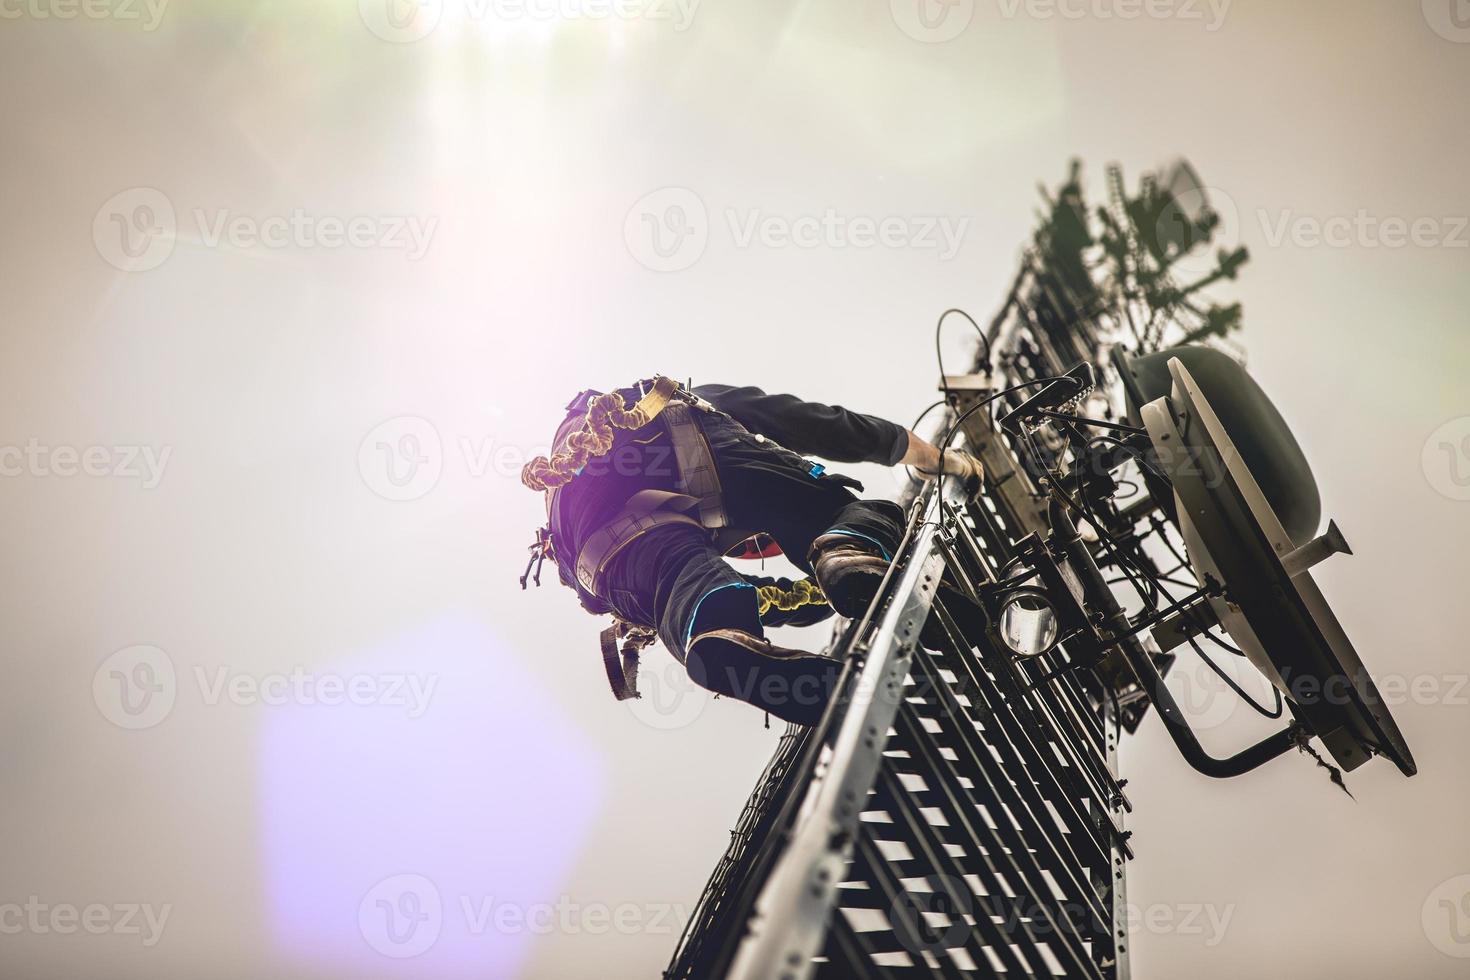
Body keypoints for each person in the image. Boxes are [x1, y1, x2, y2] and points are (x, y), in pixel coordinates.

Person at [520, 376, 983, 726]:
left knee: (684, 584)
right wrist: (938, 459)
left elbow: (765, 598)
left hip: (590, 553)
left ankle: (720, 636)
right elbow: (830, 426)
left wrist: (828, 592)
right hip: (662, 431)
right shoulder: (712, 401)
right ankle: (849, 545)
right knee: (838, 511)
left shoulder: (677, 532)